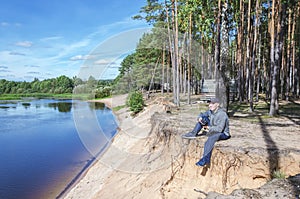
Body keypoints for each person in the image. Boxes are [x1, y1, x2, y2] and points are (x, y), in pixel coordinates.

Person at [182, 98, 230, 167]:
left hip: (223, 133)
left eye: (212, 104)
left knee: (211, 138)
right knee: (203, 119)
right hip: (213, 129)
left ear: (217, 105)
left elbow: (220, 129)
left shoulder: (222, 114)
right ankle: (193, 134)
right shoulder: (210, 111)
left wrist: (208, 128)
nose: (210, 105)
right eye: (209, 103)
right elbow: (202, 114)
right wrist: (199, 118)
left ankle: (205, 159)